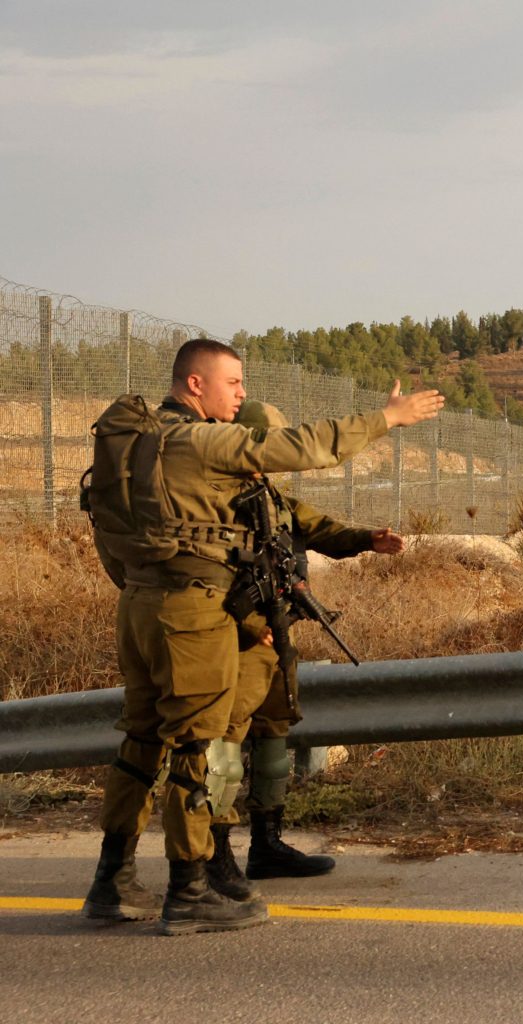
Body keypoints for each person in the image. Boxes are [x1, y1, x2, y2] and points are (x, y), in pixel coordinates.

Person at [82, 338, 443, 935]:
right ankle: (190, 890)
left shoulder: (142, 446)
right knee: (198, 748)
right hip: (192, 614)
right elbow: (298, 446)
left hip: (144, 605)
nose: (243, 393)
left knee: (141, 742)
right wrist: (387, 419)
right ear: (195, 384)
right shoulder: (196, 442)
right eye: (235, 382)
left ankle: (111, 880)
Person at [204, 399, 405, 897]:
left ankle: (266, 846)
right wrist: (251, 625)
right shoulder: (210, 496)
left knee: (274, 732)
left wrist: (367, 539)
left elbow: (314, 527)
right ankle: (215, 853)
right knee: (225, 746)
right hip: (234, 638)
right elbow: (202, 574)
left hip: (276, 631)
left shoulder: (268, 493)